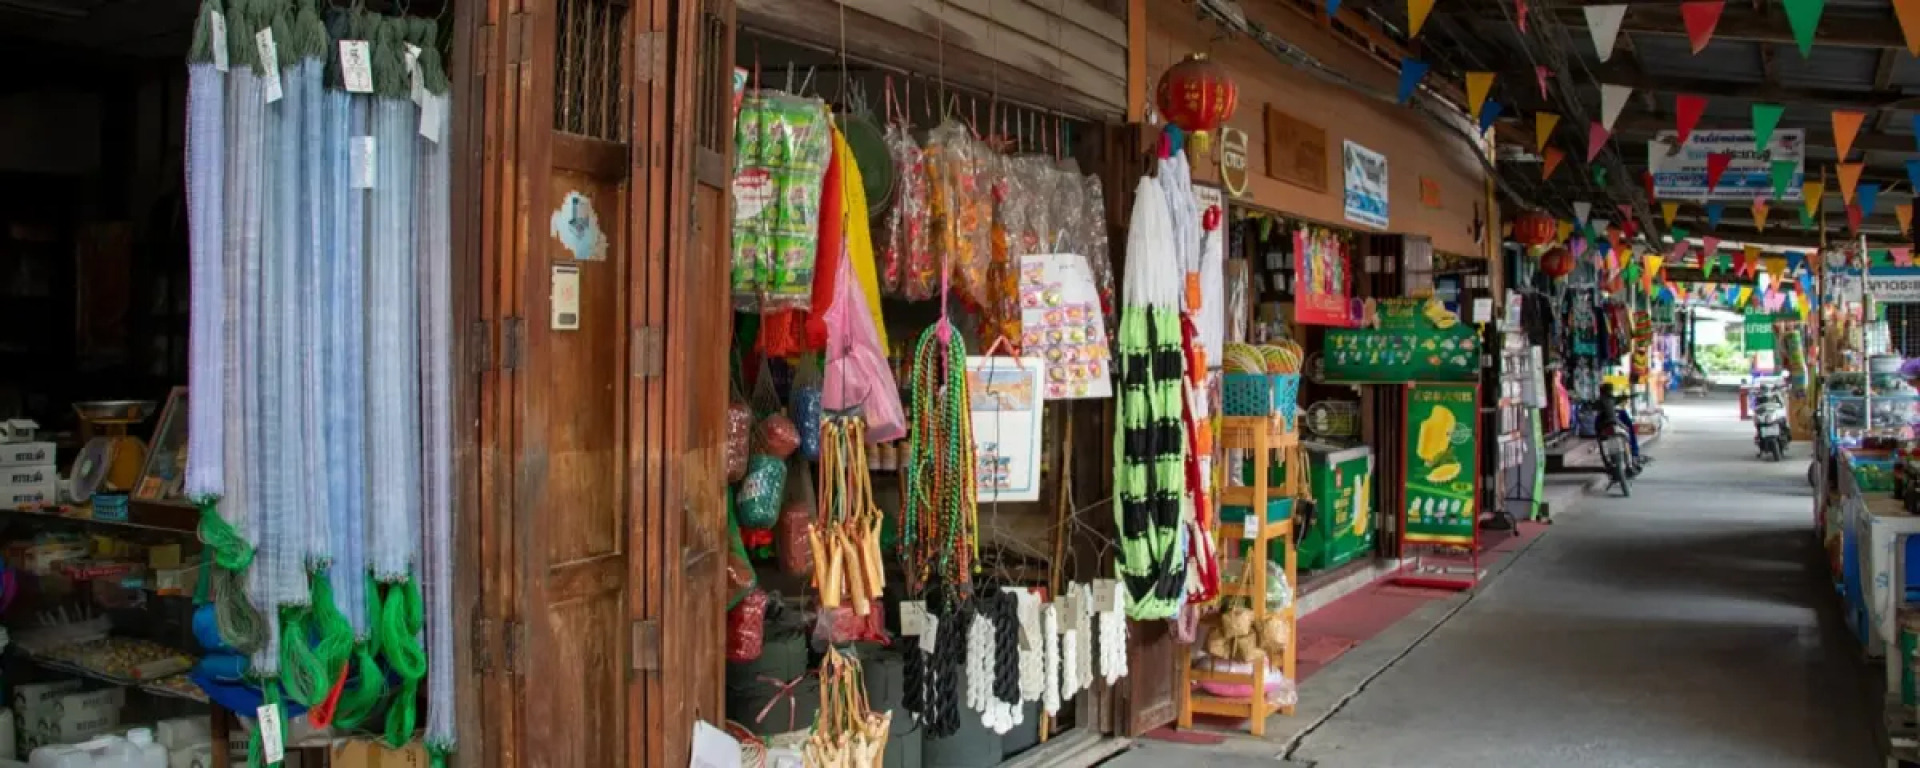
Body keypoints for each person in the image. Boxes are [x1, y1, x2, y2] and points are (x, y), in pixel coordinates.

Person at [1595, 383, 1644, 473]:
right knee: (1628, 433)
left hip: (1607, 424)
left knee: (1600, 439)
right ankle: (1632, 458)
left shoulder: (1601, 401)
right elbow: (1624, 397)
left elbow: (1592, 406)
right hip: (1616, 423)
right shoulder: (1614, 401)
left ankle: (1611, 463)